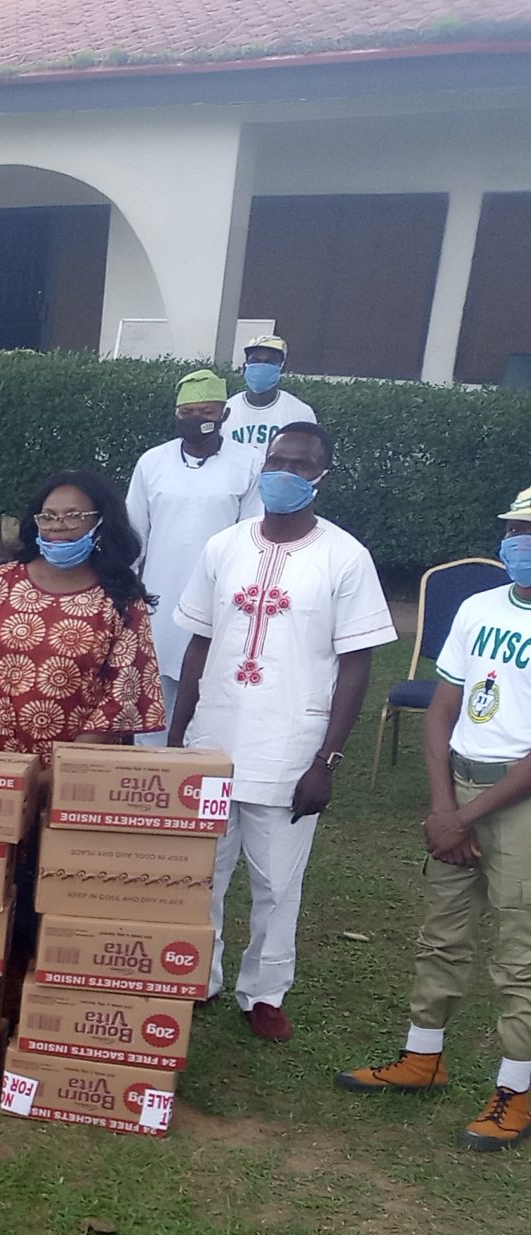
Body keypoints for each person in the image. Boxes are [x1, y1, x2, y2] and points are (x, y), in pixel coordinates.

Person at [170, 421, 396, 1043]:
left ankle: (264, 992)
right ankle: (200, 977)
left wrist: (328, 757)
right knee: (202, 872)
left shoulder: (344, 556)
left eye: (301, 465)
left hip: (291, 745)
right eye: (278, 461)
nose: (285, 474)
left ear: (323, 476)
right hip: (213, 736)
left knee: (277, 881)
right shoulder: (224, 546)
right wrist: (177, 731)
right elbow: (199, 640)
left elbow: (357, 664)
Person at [338, 487, 531, 1147]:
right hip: (463, 791)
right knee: (442, 934)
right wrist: (445, 806)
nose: (519, 543)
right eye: (514, 529)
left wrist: (468, 813)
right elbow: (443, 709)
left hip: (517, 801)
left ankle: (516, 1091)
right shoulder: (481, 607)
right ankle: (423, 1057)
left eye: (529, 532)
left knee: (519, 952)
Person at [0, 470, 162, 759]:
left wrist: (56, 773)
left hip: (81, 771)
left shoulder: (120, 598)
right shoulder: (3, 582)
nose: (58, 526)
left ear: (101, 522)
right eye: (47, 517)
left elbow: (122, 695)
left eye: (73, 516)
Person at [126, 369, 259, 739]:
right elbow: (134, 533)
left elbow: (253, 535)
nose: (197, 420)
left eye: (207, 412)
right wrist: (125, 590)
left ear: (225, 415)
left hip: (222, 600)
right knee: (154, 693)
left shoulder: (249, 463)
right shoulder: (152, 462)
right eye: (187, 413)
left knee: (213, 689)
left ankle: (201, 772)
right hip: (159, 598)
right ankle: (149, 772)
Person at [224, 334, 318, 456]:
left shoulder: (300, 413)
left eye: (270, 362)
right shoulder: (226, 409)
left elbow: (306, 456)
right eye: (255, 361)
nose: (262, 366)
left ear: (282, 368)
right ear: (244, 366)